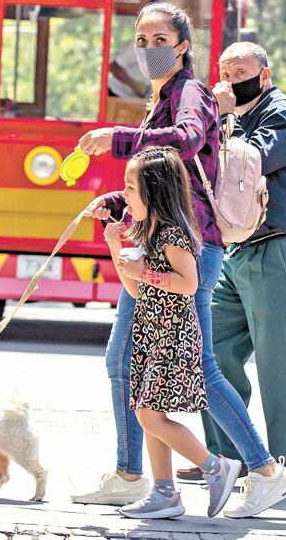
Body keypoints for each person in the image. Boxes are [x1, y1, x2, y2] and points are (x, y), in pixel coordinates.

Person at [71, 3, 286, 518]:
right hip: (170, 238)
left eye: (160, 40)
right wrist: (118, 201)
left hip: (190, 245)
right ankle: (149, 483)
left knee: (194, 369)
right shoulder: (161, 97)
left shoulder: (190, 93)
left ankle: (263, 471)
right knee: (132, 364)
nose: (149, 49)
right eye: (141, 39)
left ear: (182, 45)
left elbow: (189, 141)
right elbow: (164, 179)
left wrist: (117, 138)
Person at [194, 41, 286, 497]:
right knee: (212, 350)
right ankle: (228, 457)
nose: (230, 79)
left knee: (278, 361)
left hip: (282, 248)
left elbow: (246, 165)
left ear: (264, 75)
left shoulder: (283, 115)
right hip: (240, 249)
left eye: (241, 71)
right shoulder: (238, 117)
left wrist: (219, 115)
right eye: (224, 71)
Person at [102, 146, 240, 520]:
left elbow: (189, 283)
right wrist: (117, 249)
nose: (125, 196)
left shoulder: (173, 235)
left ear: (154, 191)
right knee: (148, 412)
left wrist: (143, 270)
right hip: (151, 333)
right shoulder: (148, 232)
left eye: (130, 188)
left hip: (172, 335)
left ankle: (216, 467)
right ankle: (164, 492)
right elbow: (135, 289)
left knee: (149, 417)